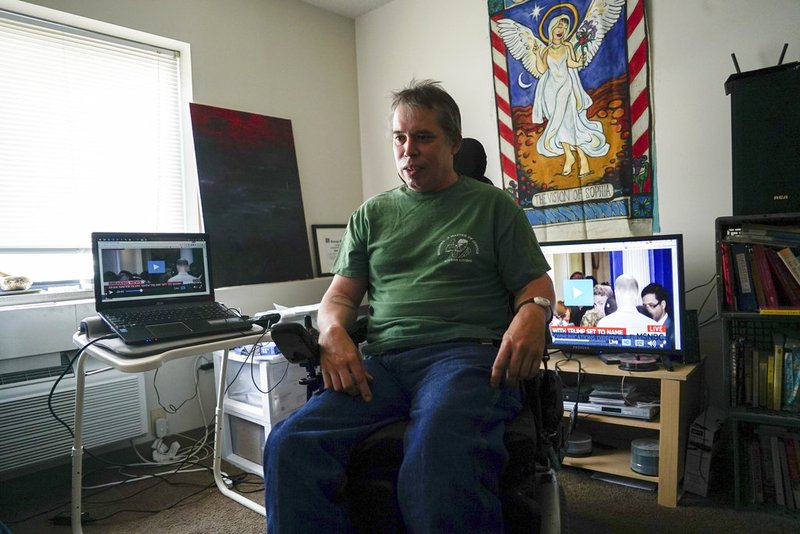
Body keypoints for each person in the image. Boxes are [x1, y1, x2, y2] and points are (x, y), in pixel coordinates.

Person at [263, 79, 555, 533]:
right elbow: (339, 298)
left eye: (423, 137)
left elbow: (535, 284)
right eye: (400, 137)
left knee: (436, 448)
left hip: (465, 356)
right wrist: (334, 332)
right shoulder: (371, 215)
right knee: (289, 442)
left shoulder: (494, 207)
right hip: (384, 363)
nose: (408, 149)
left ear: (454, 143)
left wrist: (533, 312)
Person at [530, 16, 609, 177]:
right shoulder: (545, 50)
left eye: (565, 28)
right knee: (558, 124)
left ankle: (583, 158)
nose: (561, 30)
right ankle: (569, 156)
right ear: (551, 28)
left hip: (566, 87)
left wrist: (580, 60)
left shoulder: (567, 47)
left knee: (570, 123)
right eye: (559, 26)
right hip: (550, 92)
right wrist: (537, 54)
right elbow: (541, 69)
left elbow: (572, 64)